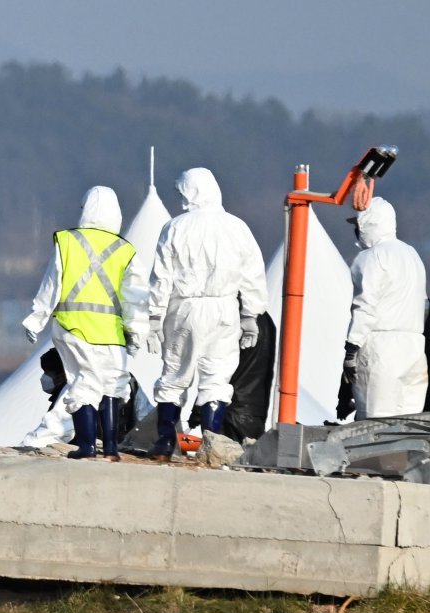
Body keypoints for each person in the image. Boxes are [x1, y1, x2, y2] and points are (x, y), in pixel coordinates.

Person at [145, 167, 268, 457]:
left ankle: (166, 443)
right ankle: (211, 446)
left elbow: (161, 278)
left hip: (185, 307)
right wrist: (250, 315)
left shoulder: (175, 227)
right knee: (216, 379)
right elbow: (252, 274)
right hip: (225, 308)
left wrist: (154, 317)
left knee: (175, 375)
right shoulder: (237, 227)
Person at [23, 186, 144, 460]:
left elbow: (52, 284)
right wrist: (137, 332)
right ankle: (111, 448)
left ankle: (88, 446)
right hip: (111, 333)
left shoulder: (68, 242)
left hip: (72, 327)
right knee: (113, 385)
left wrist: (36, 318)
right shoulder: (125, 250)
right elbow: (135, 297)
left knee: (82, 383)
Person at [341, 197, 429, 418]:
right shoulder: (412, 255)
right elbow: (425, 305)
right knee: (408, 426)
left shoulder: (370, 257)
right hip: (415, 347)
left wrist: (352, 348)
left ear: (368, 225)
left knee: (374, 425)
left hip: (381, 348)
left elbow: (365, 306)